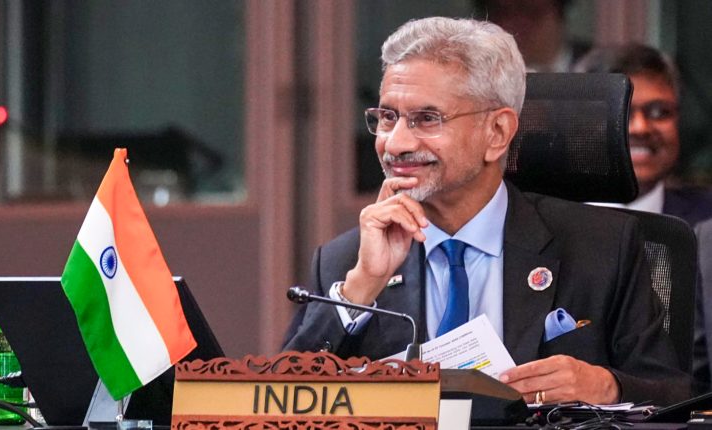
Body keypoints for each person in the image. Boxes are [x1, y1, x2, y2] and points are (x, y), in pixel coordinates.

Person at [283, 17, 689, 406]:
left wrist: (607, 386)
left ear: (497, 133)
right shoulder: (346, 261)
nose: (396, 143)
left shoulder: (602, 247)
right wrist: (359, 290)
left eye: (427, 119)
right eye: (388, 117)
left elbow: (673, 394)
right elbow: (281, 401)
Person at [574, 44, 712, 227]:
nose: (640, 128)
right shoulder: (544, 222)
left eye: (659, 112)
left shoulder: (707, 219)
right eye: (620, 112)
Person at [474, 0, 591, 72]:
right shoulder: (477, 74)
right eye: (505, 12)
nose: (519, 23)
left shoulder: (595, 68)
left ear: (558, 12)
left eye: (531, 11)